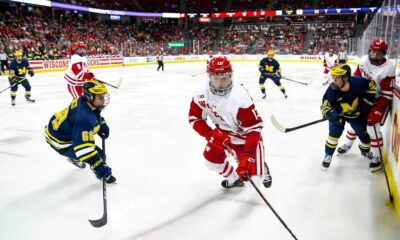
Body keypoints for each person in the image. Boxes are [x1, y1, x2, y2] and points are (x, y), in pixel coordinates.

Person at [188, 56, 272, 188]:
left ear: (230, 76)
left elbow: (254, 129)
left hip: (244, 139)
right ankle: (234, 179)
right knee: (211, 162)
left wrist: (248, 155)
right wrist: (210, 134)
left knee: (253, 183)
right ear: (209, 77)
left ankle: (263, 168)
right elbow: (194, 118)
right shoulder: (200, 95)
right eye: (216, 79)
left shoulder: (240, 97)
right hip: (222, 136)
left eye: (224, 78)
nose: (220, 83)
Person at [336, 39, 396, 172]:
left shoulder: (389, 68)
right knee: (354, 118)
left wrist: (378, 110)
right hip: (363, 97)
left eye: (378, 53)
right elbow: (355, 79)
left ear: (384, 54)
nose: (374, 55)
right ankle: (348, 144)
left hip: (378, 99)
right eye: (373, 52)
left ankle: (377, 156)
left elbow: (387, 94)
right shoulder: (363, 60)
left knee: (372, 126)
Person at [44, 80, 116, 183]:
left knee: (89, 147)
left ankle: (75, 157)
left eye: (103, 96)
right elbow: (84, 150)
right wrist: (102, 171)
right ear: (90, 97)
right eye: (100, 97)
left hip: (57, 129)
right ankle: (74, 158)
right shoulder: (84, 118)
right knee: (100, 156)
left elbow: (93, 114)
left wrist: (100, 123)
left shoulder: (83, 101)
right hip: (60, 142)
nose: (103, 99)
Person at [321, 64, 376, 168]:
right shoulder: (332, 89)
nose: (334, 80)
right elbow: (325, 105)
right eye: (333, 77)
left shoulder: (359, 82)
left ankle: (364, 151)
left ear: (345, 78)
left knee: (364, 135)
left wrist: (365, 106)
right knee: (334, 133)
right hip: (338, 114)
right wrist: (330, 114)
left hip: (356, 114)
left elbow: (372, 87)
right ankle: (328, 155)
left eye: (337, 78)